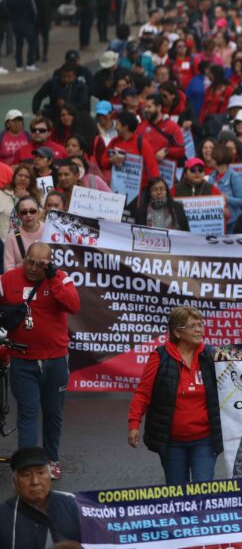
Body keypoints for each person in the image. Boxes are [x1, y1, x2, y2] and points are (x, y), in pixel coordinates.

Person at [0, 242, 79, 479]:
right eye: (29, 262)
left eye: (39, 264)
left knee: (53, 413)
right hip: (23, 360)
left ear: (49, 262)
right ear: (24, 258)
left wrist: (52, 276)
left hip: (55, 360)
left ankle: (51, 459)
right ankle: (28, 465)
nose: (33, 268)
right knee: (27, 412)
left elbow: (73, 305)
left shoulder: (60, 278)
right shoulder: (6, 280)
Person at [127, 306, 221, 484]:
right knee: (178, 495)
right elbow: (142, 393)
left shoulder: (211, 355)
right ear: (177, 332)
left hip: (205, 439)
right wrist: (134, 423)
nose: (199, 329)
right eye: (193, 326)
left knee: (204, 490)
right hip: (171, 441)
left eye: (200, 324)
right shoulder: (159, 356)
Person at [0, 446, 83, 548]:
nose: (35, 481)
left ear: (50, 475)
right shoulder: (3, 517)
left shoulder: (73, 505)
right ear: (14, 482)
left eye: (41, 473)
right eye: (26, 475)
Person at [4, 197, 44, 272]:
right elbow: (8, 267)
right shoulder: (11, 237)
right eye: (24, 212)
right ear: (18, 215)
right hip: (20, 280)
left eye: (32, 211)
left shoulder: (48, 231)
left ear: (38, 212)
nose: (28, 215)